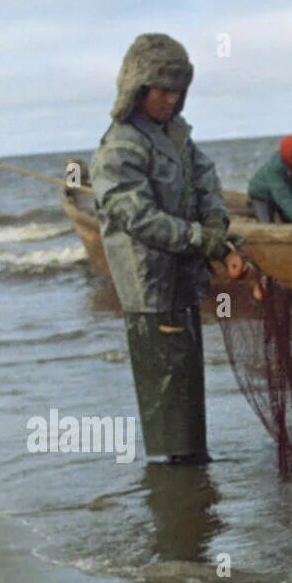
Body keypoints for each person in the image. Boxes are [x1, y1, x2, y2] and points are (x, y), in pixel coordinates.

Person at [91, 33, 232, 465]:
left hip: (184, 285)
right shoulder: (120, 147)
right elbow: (137, 216)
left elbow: (205, 177)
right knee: (166, 396)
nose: (170, 99)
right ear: (138, 88)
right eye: (162, 89)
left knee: (188, 386)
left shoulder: (176, 136)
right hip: (150, 290)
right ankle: (174, 476)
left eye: (178, 90)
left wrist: (214, 221)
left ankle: (191, 464)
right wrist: (198, 239)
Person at [247, 135, 292, 222]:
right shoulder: (275, 168)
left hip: (286, 193)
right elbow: (282, 194)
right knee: (266, 225)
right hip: (262, 195)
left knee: (290, 221)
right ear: (290, 156)